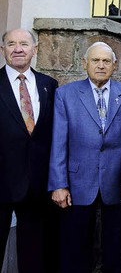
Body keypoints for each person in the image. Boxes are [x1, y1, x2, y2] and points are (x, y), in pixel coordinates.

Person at [49, 42, 121, 273]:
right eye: (95, 60)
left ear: (115, 65)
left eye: (106, 61)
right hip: (76, 184)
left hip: (115, 184)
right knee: (74, 250)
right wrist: (58, 184)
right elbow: (58, 142)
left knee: (113, 250)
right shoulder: (65, 94)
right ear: (84, 63)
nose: (100, 65)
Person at [0, 29, 58, 273]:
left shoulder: (49, 85)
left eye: (24, 43)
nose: (18, 49)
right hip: (1, 184)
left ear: (36, 49)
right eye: (11, 44)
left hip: (37, 186)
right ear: (3, 49)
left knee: (34, 256)